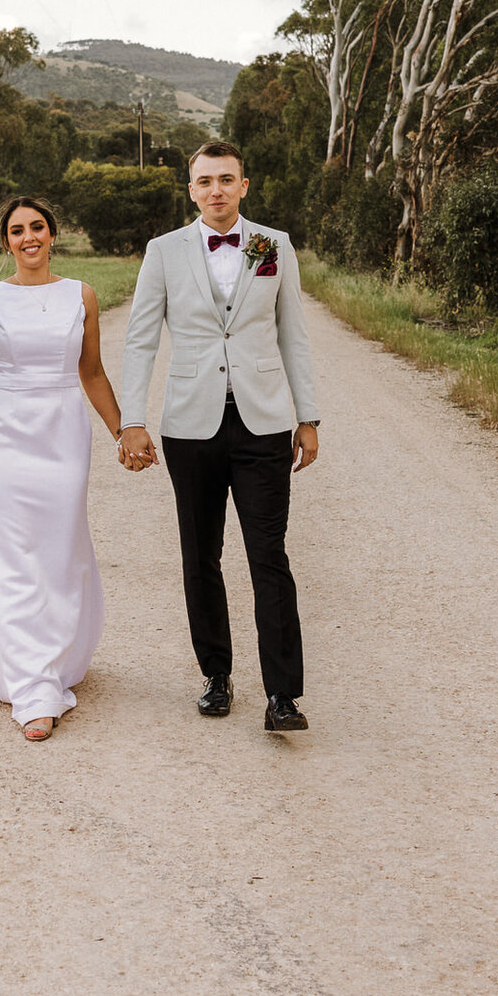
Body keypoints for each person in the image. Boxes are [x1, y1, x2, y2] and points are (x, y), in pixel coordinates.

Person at [0, 194, 148, 741]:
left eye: (38, 227)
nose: (29, 238)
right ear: (6, 242)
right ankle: (33, 687)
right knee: (11, 551)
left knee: (58, 550)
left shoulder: (82, 296)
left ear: (53, 234)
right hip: (4, 434)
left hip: (64, 432)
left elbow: (91, 372)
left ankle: (47, 656)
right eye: (18, 230)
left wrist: (124, 430)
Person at [117, 141, 320, 732]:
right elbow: (140, 340)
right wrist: (133, 419)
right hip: (190, 425)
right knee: (199, 556)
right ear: (191, 190)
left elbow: (294, 335)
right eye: (205, 181)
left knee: (269, 557)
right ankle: (216, 675)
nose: (216, 191)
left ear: (245, 185)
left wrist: (308, 415)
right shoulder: (163, 252)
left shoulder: (272, 245)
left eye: (226, 180)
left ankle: (284, 695)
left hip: (263, 424)